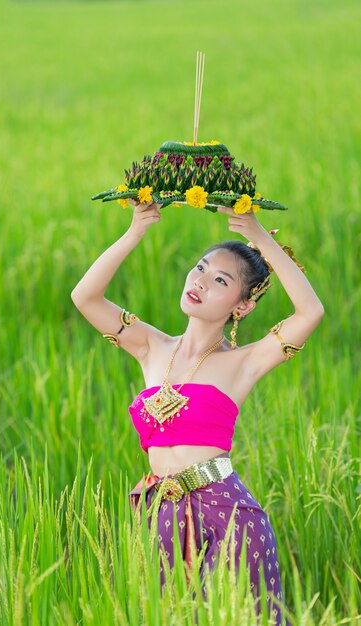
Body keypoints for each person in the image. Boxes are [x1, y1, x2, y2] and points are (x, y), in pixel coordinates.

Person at [71, 199, 324, 625]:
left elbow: (310, 312)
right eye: (201, 268)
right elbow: (85, 297)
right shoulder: (151, 346)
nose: (201, 281)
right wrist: (135, 231)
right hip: (159, 511)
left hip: (227, 515)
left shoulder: (243, 362)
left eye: (220, 280)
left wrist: (259, 236)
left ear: (241, 306)